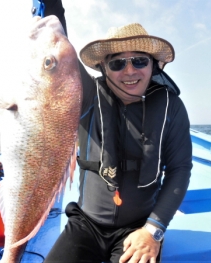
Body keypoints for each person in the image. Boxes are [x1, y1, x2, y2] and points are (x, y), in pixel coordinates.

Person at [43, 1, 192, 262]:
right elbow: (55, 42)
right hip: (85, 224)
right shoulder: (86, 94)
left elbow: (179, 169)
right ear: (103, 68)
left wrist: (153, 230)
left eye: (139, 61)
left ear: (153, 65)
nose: (130, 70)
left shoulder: (172, 107)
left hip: (138, 228)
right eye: (117, 64)